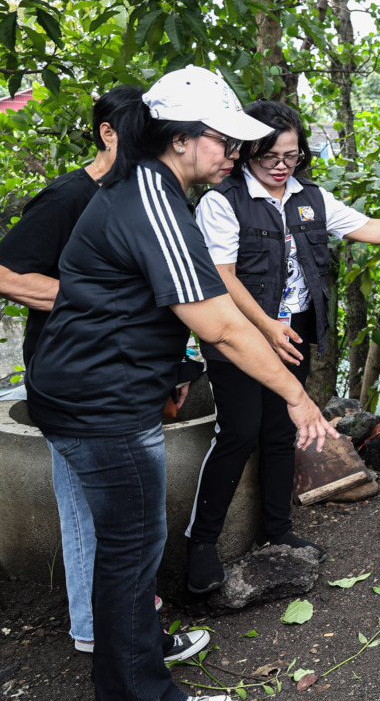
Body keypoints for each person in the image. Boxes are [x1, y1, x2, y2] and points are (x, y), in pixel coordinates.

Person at [24, 65, 339, 701]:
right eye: (225, 140)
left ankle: (130, 680)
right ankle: (142, 692)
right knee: (132, 551)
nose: (235, 153)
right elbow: (219, 325)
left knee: (129, 550)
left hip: (94, 393)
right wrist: (298, 397)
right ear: (182, 139)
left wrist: (172, 373)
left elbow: (151, 304)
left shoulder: (147, 190)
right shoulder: (152, 200)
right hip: (100, 405)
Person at [185, 100, 380, 593]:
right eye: (268, 155)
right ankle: (201, 545)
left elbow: (365, 227)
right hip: (239, 334)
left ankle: (277, 530)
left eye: (290, 155)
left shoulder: (308, 195)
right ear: (246, 150)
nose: (280, 165)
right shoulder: (222, 202)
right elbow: (223, 279)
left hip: (292, 333)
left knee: (278, 433)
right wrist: (266, 326)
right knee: (239, 433)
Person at [0, 86, 205, 661]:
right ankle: (112, 638)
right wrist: (92, 297)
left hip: (118, 372)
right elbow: (6, 272)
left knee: (112, 520)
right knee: (98, 518)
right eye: (143, 132)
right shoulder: (72, 195)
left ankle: (112, 633)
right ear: (109, 134)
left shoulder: (145, 194)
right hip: (78, 377)